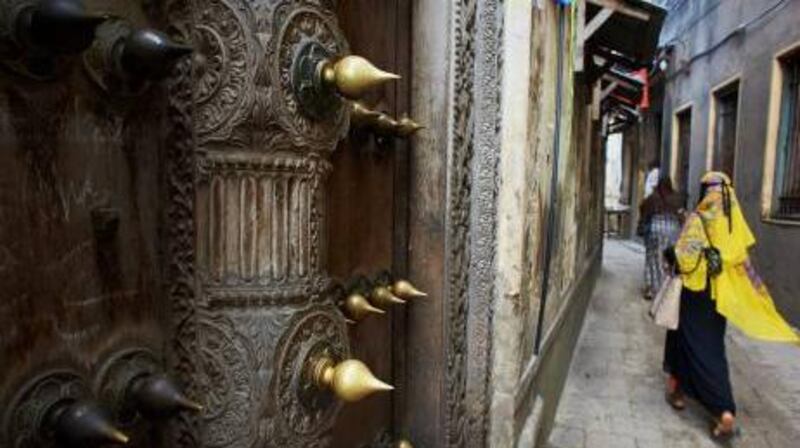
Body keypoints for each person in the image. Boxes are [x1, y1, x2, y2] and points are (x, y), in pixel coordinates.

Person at [662, 171, 799, 441]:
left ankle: (722, 410)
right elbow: (744, 265)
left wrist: (670, 257)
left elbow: (683, 257)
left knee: (691, 344)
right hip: (719, 299)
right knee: (709, 347)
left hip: (695, 294)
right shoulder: (733, 222)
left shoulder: (698, 218)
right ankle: (680, 391)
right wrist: (759, 292)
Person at [639, 177, 683, 300]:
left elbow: (642, 207)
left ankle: (652, 289)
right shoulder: (676, 198)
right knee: (669, 260)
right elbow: (681, 215)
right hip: (673, 231)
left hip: (656, 230)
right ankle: (667, 290)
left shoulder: (653, 198)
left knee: (653, 259)